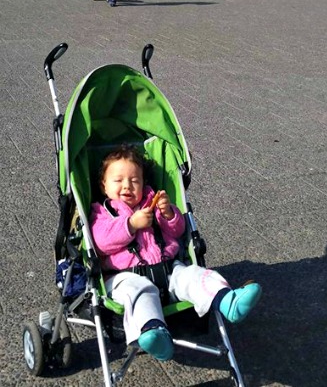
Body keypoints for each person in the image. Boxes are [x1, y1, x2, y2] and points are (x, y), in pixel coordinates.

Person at [90, 146, 262, 362]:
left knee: (194, 275)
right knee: (139, 293)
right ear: (103, 185)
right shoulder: (101, 212)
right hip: (125, 276)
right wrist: (131, 225)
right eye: (118, 180)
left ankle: (227, 300)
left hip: (169, 267)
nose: (127, 185)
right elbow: (101, 241)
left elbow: (177, 231)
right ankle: (154, 335)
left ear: (144, 184)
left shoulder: (153, 202)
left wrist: (169, 213)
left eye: (135, 180)